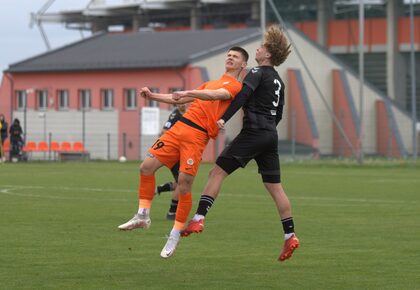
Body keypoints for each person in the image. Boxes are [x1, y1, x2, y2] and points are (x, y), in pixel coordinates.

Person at [180, 26, 300, 262]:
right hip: (270, 135)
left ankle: (198, 219)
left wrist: (223, 117)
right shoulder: (279, 81)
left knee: (217, 172)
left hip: (253, 133)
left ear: (267, 55)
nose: (258, 48)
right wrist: (267, 130)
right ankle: (290, 235)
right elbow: (279, 115)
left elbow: (242, 96)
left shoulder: (256, 72)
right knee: (275, 188)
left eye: (262, 47)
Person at [117, 46, 249, 258]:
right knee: (146, 167)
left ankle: (175, 234)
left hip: (196, 136)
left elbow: (215, 95)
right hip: (179, 128)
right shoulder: (210, 82)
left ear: (243, 65)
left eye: (235, 57)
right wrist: (152, 96)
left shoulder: (234, 86)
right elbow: (178, 99)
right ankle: (142, 215)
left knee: (184, 184)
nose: (230, 58)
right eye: (229, 55)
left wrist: (189, 92)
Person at [155, 103, 187, 220]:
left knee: (183, 182)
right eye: (180, 103)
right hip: (173, 153)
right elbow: (164, 131)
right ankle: (172, 212)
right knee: (182, 182)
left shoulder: (188, 114)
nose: (183, 105)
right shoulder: (175, 115)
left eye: (185, 102)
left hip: (181, 153)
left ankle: (160, 189)